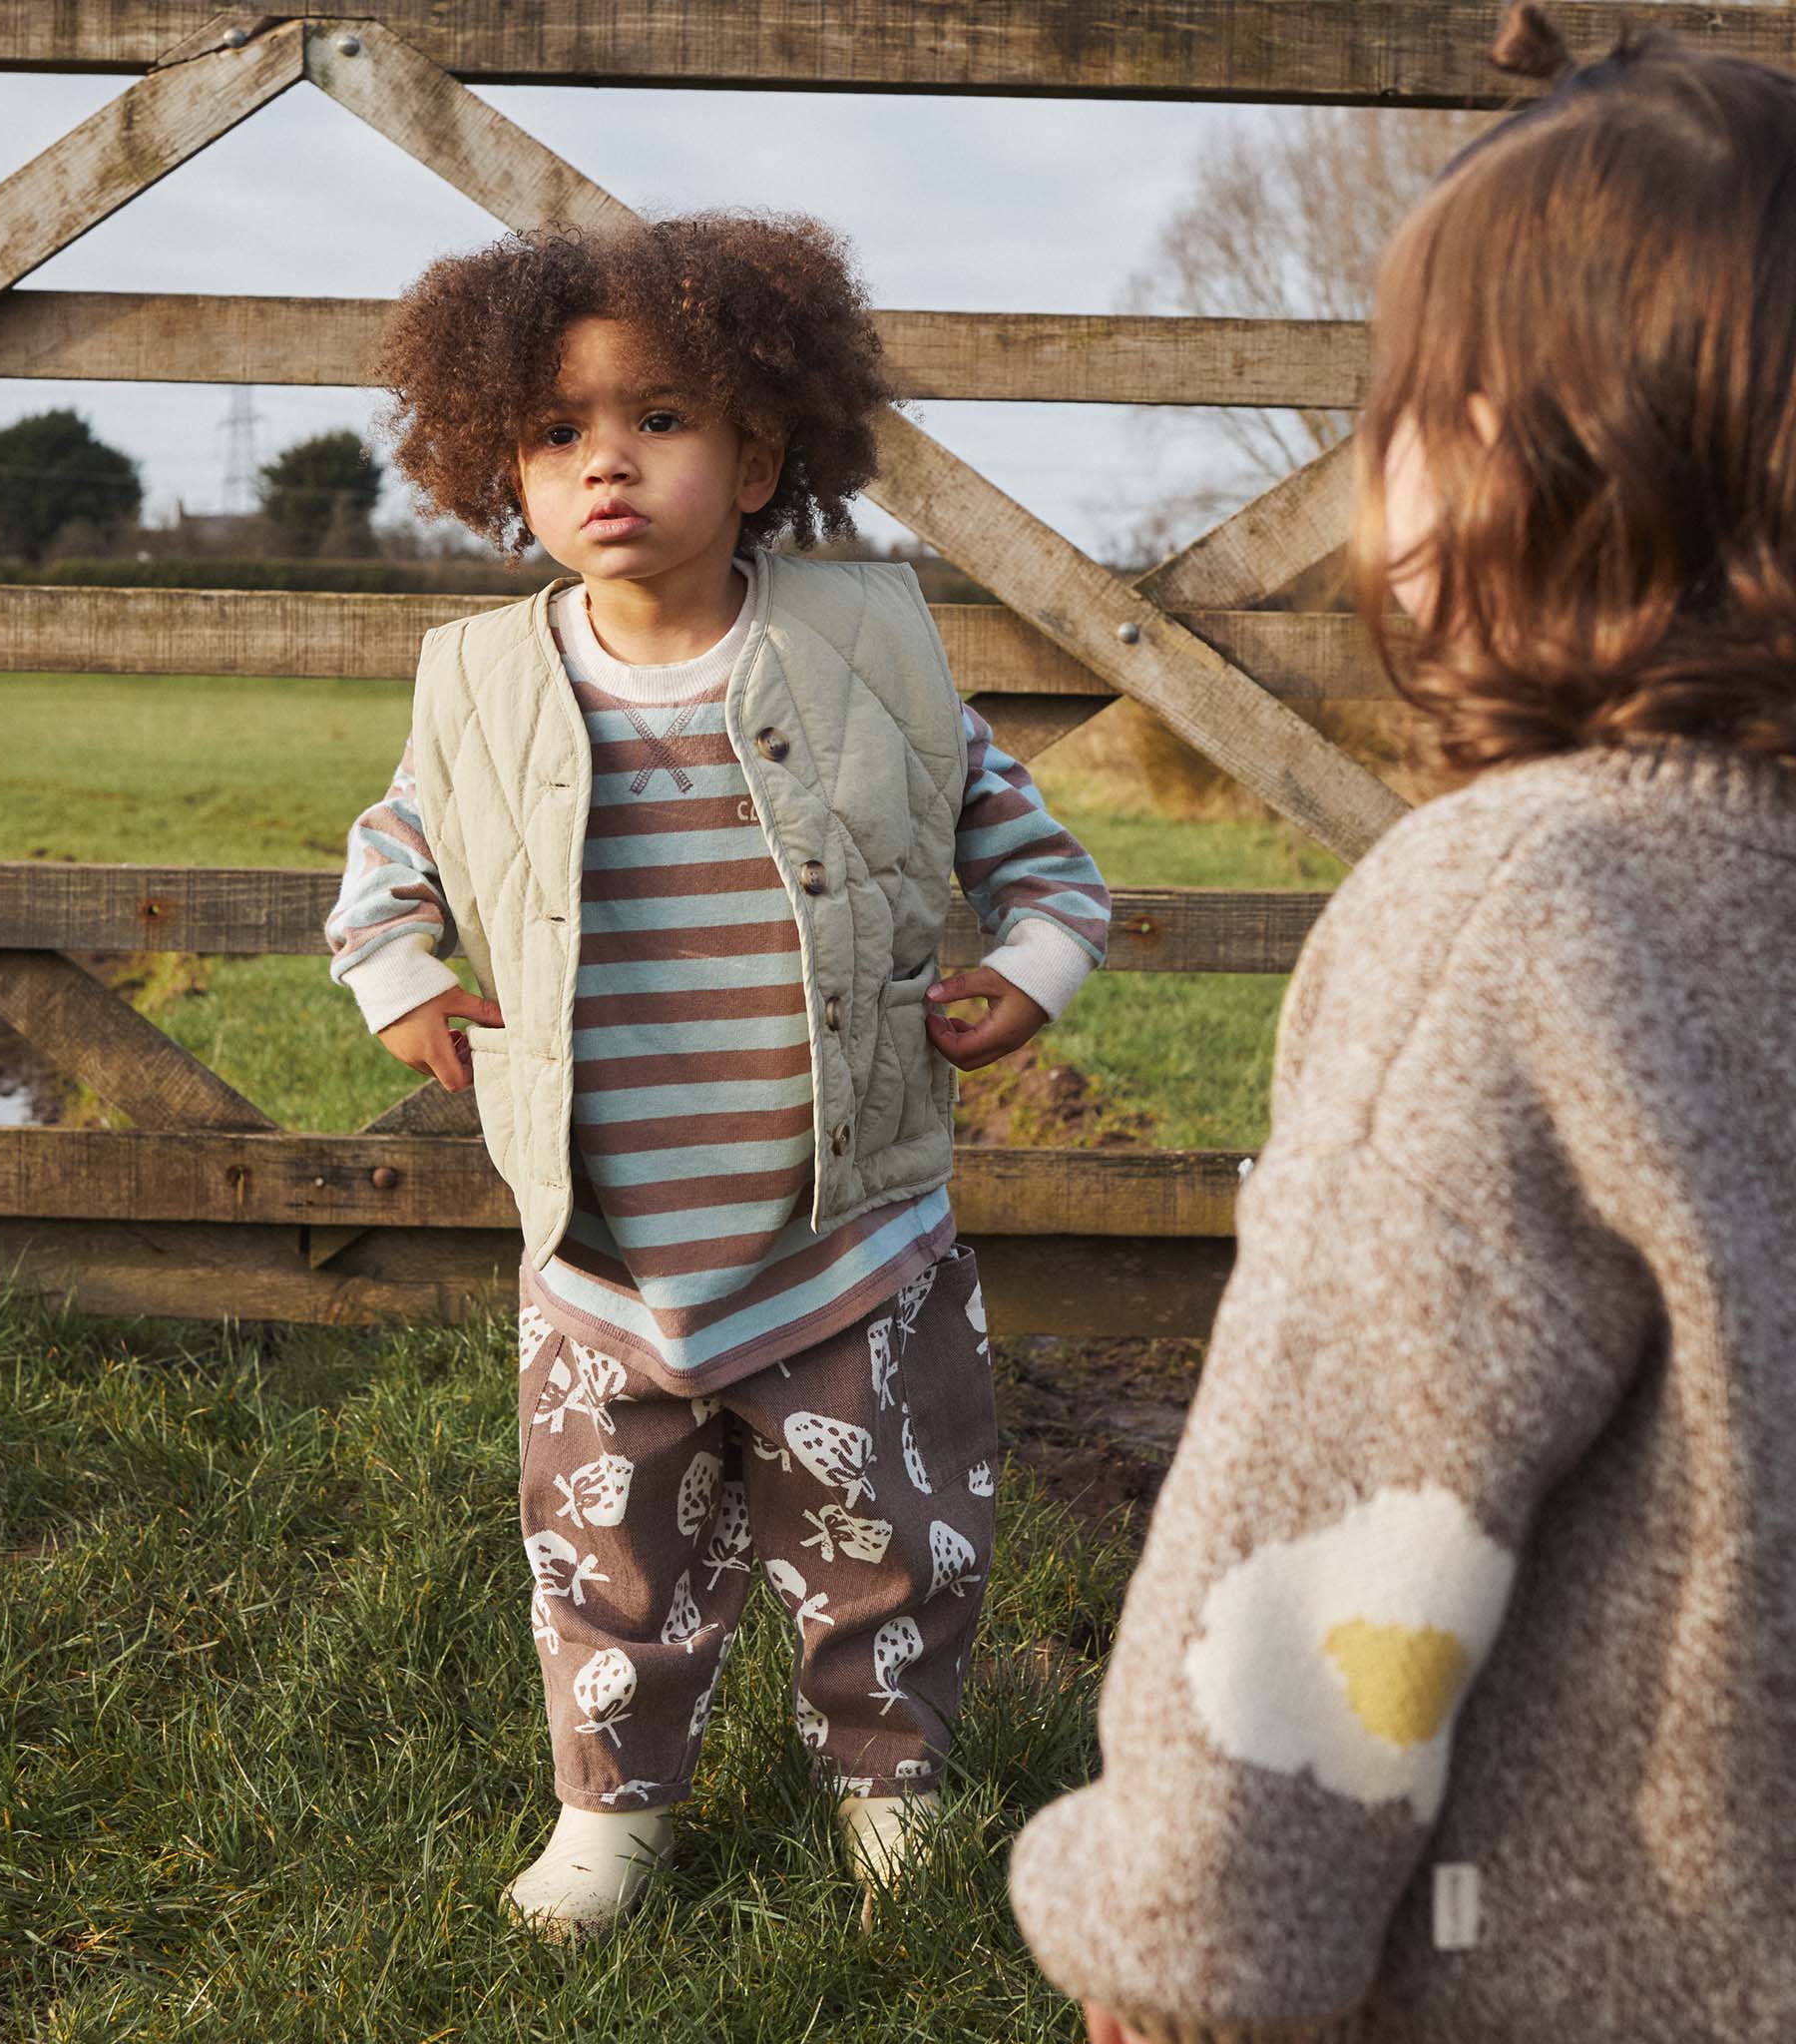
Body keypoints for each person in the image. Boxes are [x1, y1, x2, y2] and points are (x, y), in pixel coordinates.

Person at [1011, 7, 1796, 2038]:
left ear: (1566, 462)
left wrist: (1187, 1944)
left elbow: (1351, 1485)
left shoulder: (1517, 906)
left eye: (1409, 408)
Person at [324, 213, 1111, 1939]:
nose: (606, 463)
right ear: (495, 467)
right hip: (606, 1245)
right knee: (607, 1552)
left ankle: (891, 1784)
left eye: (659, 419)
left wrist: (1025, 973)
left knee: (888, 1526)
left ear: (761, 453)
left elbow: (1043, 865)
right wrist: (403, 981)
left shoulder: (872, 655)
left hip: (850, 1229)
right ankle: (610, 1807)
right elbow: (391, 864)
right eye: (555, 432)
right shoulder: (480, 686)